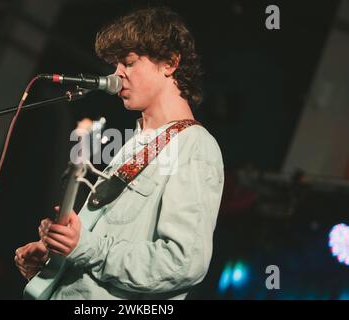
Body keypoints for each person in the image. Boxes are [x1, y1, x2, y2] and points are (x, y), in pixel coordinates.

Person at [15, 7, 225, 299]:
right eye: (116, 65)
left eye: (128, 62)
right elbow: (100, 245)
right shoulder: (135, 142)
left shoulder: (194, 147)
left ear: (170, 63)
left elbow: (183, 262)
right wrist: (59, 259)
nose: (117, 75)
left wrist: (85, 248)